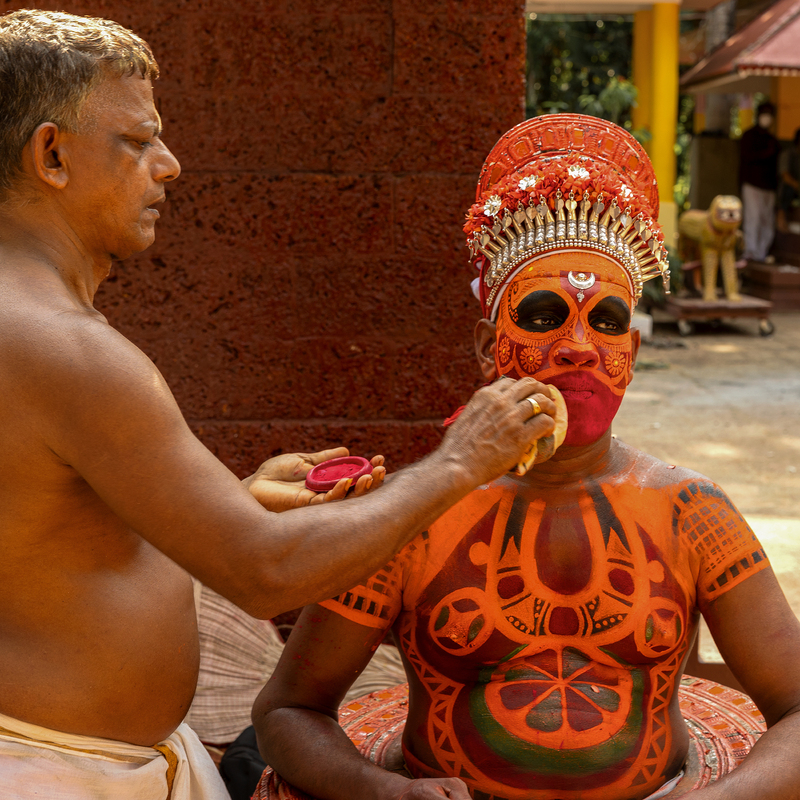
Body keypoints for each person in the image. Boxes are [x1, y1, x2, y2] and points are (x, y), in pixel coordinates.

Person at [0, 10, 557, 799]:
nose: (170, 165)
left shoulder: (32, 330)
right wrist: (462, 462)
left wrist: (236, 499)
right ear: (52, 154)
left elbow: (57, 534)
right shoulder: (68, 350)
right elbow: (264, 573)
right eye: (137, 140)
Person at [252, 114, 800, 800]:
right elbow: (287, 711)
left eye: (606, 321)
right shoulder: (413, 516)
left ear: (631, 352)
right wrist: (384, 792)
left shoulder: (692, 512)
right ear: (488, 346)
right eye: (542, 317)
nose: (578, 346)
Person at [739, 101, 779, 262]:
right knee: (753, 218)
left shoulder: (772, 140)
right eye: (765, 114)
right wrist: (766, 153)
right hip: (752, 184)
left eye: (769, 115)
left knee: (767, 221)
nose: (767, 118)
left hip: (769, 187)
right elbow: (747, 158)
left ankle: (762, 253)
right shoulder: (749, 137)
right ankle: (751, 251)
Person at [777, 127, 800, 233]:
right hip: (788, 191)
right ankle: (781, 215)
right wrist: (797, 185)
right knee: (787, 187)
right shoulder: (788, 154)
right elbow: (785, 176)